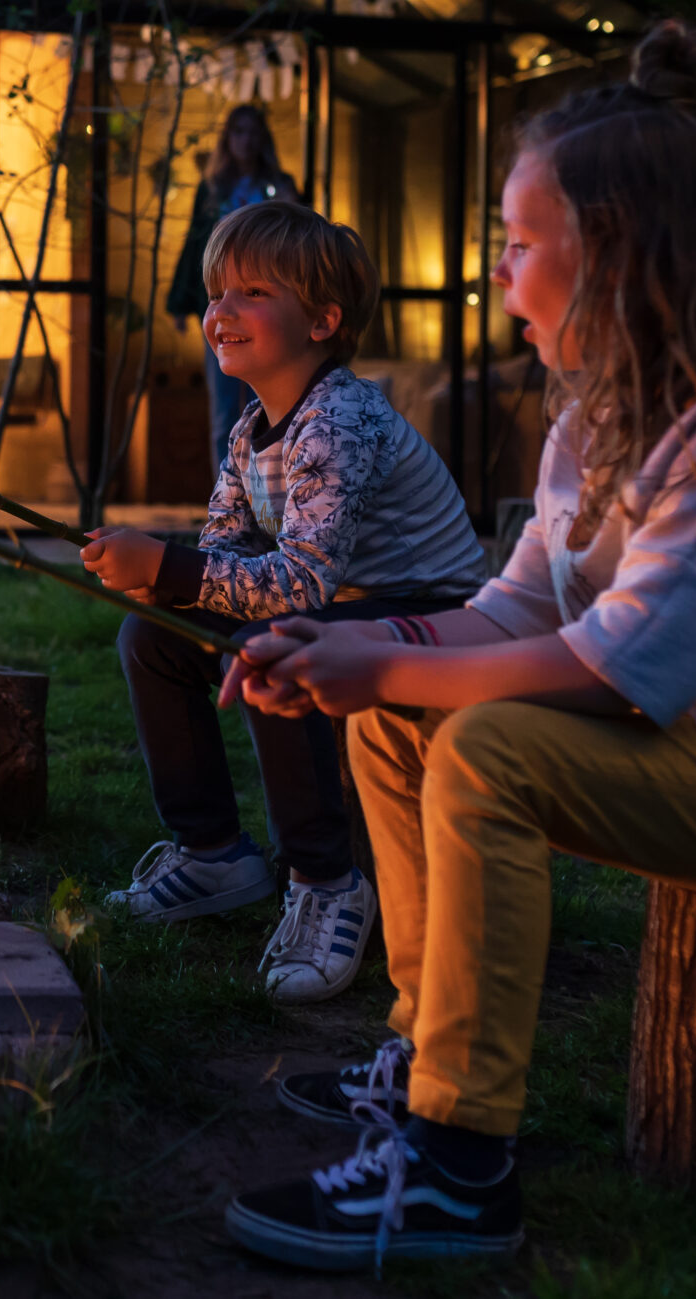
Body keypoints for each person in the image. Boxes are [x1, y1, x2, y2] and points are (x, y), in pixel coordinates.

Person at [217, 21, 696, 1272]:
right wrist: (347, 645)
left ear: (608, 251)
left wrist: (381, 659)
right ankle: (419, 1045)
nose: (498, 274)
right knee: (398, 716)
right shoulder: (599, 418)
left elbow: (614, 666)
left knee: (489, 748)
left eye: (516, 244)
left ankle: (455, 1163)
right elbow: (513, 613)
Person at [79, 199, 483, 1005]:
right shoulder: (250, 429)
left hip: (439, 611)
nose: (220, 312)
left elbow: (296, 586)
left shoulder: (338, 418)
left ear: (324, 320)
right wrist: (163, 579)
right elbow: (228, 555)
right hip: (345, 600)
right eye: (216, 292)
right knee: (152, 635)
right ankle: (214, 851)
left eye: (251, 293)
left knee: (278, 643)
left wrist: (172, 564)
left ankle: (329, 878)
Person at [168, 106, 300, 448]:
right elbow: (195, 245)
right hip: (223, 304)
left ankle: (269, 492)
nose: (247, 140)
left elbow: (302, 242)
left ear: (263, 138)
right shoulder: (213, 189)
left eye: (254, 131)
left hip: (270, 307)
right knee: (225, 411)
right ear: (228, 138)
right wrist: (180, 302)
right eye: (239, 131)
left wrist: (291, 204)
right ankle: (227, 499)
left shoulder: (278, 184)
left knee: (273, 404)